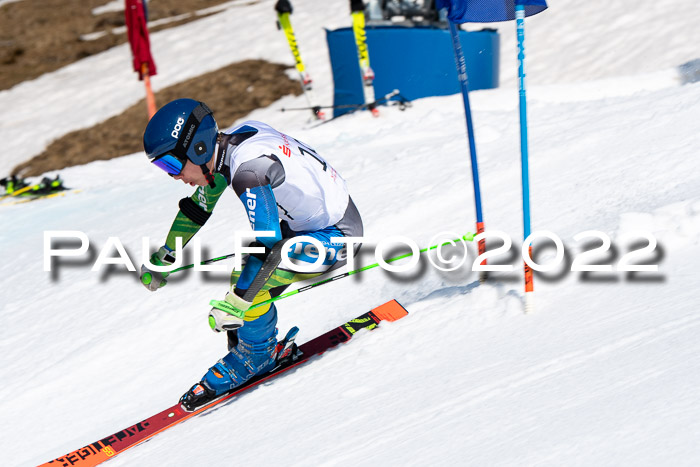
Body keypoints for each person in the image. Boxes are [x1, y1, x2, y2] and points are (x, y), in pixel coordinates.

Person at [140, 98, 363, 410]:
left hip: (338, 237)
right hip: (307, 226)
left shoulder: (248, 171)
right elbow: (198, 207)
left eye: (171, 165)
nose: (174, 176)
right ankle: (253, 341)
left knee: (249, 282)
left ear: (199, 150)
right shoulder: (230, 146)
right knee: (248, 276)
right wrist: (166, 253)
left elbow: (270, 245)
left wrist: (236, 303)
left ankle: (256, 358)